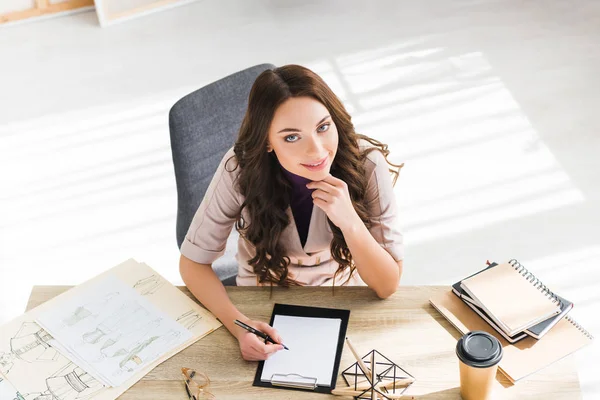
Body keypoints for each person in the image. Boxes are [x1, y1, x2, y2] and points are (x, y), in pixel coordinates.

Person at [179, 65, 404, 361]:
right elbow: (193, 265)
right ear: (267, 142)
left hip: (342, 295)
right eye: (291, 137)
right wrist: (239, 325)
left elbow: (387, 285)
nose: (317, 150)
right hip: (260, 300)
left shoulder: (367, 165)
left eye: (323, 127)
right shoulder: (239, 168)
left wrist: (350, 221)